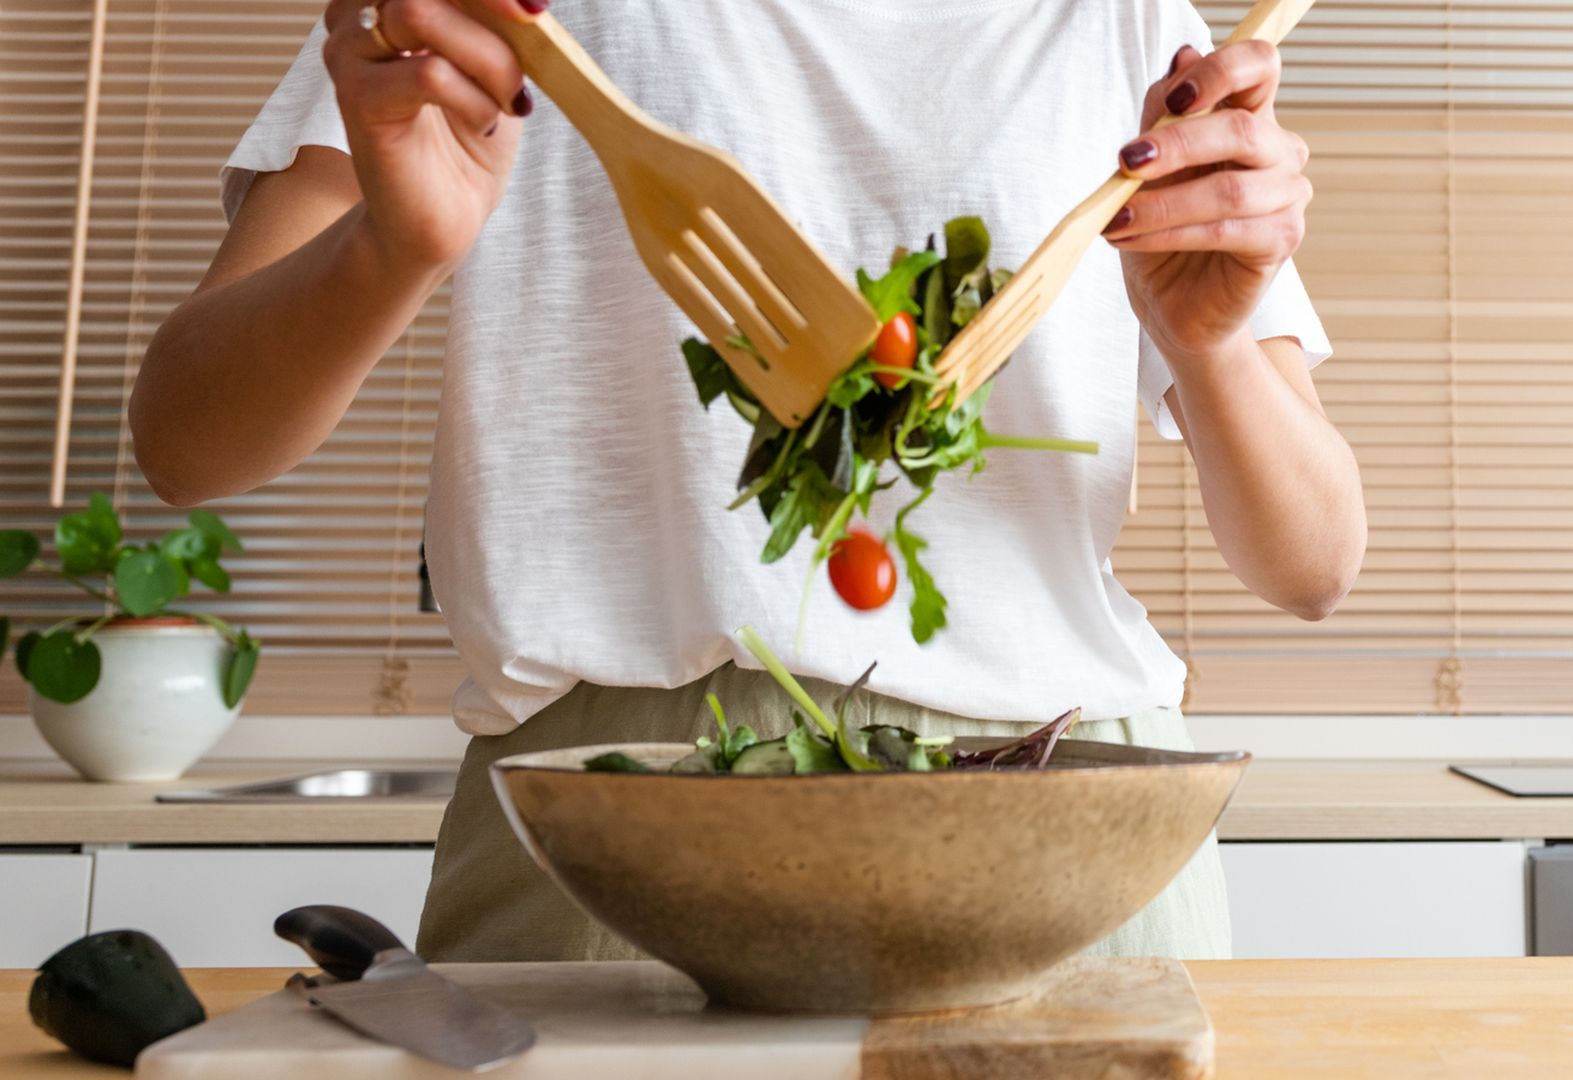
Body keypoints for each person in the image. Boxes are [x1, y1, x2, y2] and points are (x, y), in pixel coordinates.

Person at [132, 0, 1366, 961]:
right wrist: (388, 249)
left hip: (1067, 836)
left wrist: (1208, 349)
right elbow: (187, 446)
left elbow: (1315, 562)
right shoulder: (501, 22)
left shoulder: (1126, 28)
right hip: (609, 840)